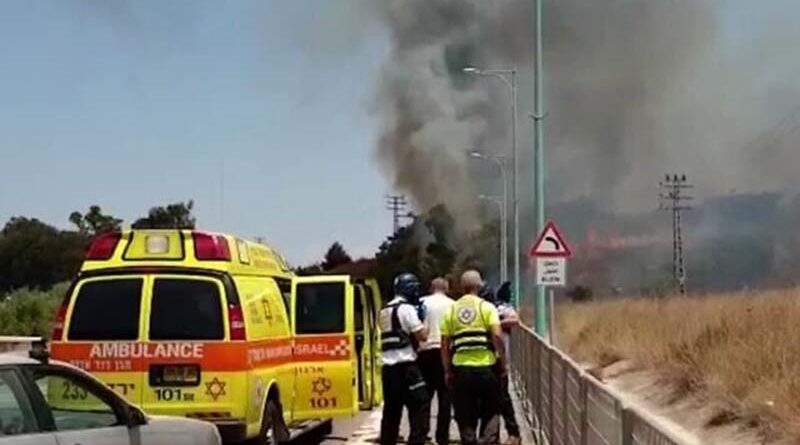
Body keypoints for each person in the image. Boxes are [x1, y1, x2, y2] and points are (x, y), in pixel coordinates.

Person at [441, 270, 505, 445]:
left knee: (465, 416)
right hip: (486, 368)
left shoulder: (452, 309)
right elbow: (497, 336)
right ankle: (488, 441)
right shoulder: (486, 307)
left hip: (460, 369)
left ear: (462, 287)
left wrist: (447, 371)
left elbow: (445, 345)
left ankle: (469, 440)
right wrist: (503, 362)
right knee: (491, 412)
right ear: (479, 285)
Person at [379, 273, 430, 445]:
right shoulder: (407, 309)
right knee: (420, 407)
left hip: (388, 369)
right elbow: (422, 336)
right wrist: (424, 319)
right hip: (407, 367)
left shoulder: (384, 310)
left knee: (391, 413)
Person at [418, 277, 455, 445]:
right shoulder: (452, 304)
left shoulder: (421, 302)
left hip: (425, 351)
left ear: (431, 288)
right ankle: (442, 436)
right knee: (445, 398)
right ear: (446, 288)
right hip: (445, 351)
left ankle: (422, 432)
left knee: (425, 397)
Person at [492, 281, 521, 445]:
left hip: (500, 359)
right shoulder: (485, 309)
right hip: (485, 360)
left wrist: (496, 323)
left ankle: (513, 432)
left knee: (503, 398)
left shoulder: (503, 308)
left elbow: (515, 320)